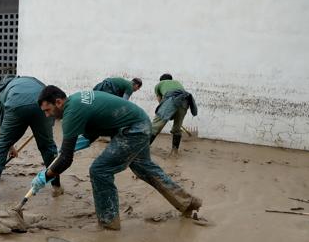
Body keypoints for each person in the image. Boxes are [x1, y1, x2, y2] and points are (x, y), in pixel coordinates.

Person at [32, 85, 201, 230]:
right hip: (140, 123)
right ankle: (187, 203)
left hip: (133, 129)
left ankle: (109, 222)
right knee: (144, 168)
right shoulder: (76, 101)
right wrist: (77, 144)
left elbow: (66, 160)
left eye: (48, 110)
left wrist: (45, 176)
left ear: (58, 102)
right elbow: (94, 127)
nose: (47, 115)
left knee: (99, 170)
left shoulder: (71, 112)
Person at [0, 76, 60, 200]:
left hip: (16, 105)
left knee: (1, 144)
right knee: (48, 146)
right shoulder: (33, 80)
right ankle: (56, 187)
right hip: (42, 105)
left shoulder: (3, 91)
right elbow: (49, 108)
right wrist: (45, 130)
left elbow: (2, 123)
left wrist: (9, 145)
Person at [150, 73, 197, 156]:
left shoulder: (159, 84)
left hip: (170, 101)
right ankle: (174, 152)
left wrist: (166, 112)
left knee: (155, 126)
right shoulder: (177, 83)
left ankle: (142, 149)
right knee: (177, 128)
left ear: (161, 80)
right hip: (185, 102)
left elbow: (160, 101)